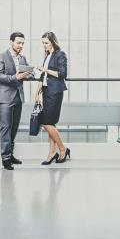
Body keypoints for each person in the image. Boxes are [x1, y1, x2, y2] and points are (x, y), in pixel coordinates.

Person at [0, 32, 33, 170]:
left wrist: (29, 74)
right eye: (18, 43)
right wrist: (16, 77)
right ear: (11, 42)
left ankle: (10, 154)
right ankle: (5, 159)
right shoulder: (1, 56)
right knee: (6, 127)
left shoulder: (23, 58)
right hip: (5, 97)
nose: (21, 46)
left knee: (14, 127)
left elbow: (30, 73)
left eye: (23, 43)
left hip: (18, 97)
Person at [36, 32, 70, 164]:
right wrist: (37, 92)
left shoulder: (60, 54)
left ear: (53, 42)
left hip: (55, 92)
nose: (44, 45)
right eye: (43, 43)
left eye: (46, 43)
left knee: (46, 122)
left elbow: (62, 74)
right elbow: (43, 77)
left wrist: (45, 69)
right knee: (50, 123)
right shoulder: (48, 55)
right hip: (46, 91)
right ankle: (51, 153)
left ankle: (62, 148)